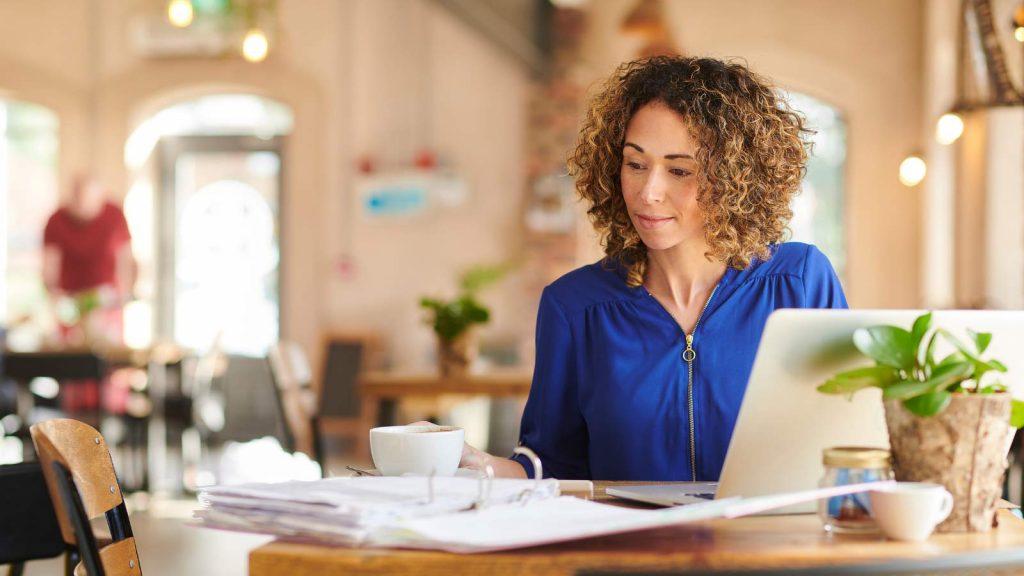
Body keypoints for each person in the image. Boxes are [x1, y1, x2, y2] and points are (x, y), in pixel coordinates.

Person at [460, 56, 847, 481]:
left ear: (736, 177)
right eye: (636, 164)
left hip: (768, 543)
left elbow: (850, 445)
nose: (649, 192)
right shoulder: (574, 307)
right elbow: (553, 467)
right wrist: (477, 465)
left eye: (680, 170)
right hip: (631, 547)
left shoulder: (799, 282)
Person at [42, 173, 136, 413]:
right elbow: (49, 268)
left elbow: (126, 260)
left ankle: (111, 418)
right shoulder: (57, 220)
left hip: (108, 305)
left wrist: (125, 294)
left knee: (109, 367)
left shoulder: (114, 215)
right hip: (73, 306)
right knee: (73, 369)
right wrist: (56, 298)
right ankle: (73, 421)